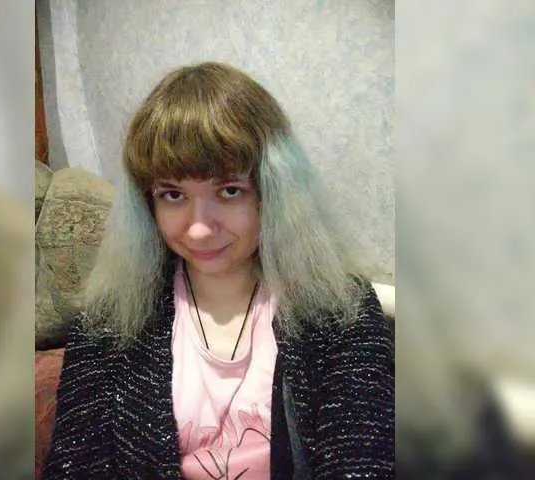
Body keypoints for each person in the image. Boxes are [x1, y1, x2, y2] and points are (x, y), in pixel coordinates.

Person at [43, 62, 394, 479]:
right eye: (173, 195)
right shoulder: (106, 322)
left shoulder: (342, 310)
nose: (199, 228)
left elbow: (364, 461)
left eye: (229, 191)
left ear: (274, 190)